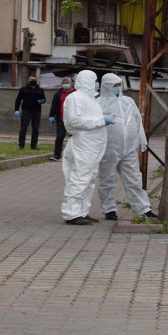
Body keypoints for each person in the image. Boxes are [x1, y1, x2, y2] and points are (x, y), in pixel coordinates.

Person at [96, 73, 158, 220]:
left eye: (119, 85)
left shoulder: (128, 101)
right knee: (107, 179)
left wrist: (142, 140)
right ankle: (109, 209)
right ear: (106, 86)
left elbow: (137, 121)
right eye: (114, 85)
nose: (118, 88)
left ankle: (143, 209)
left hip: (129, 148)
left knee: (134, 178)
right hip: (108, 148)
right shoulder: (98, 103)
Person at [60, 70, 115, 225]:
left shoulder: (91, 99)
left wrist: (102, 120)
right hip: (84, 144)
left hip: (92, 145)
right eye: (95, 80)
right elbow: (74, 121)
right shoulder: (75, 98)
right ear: (87, 81)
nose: (97, 83)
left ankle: (82, 212)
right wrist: (100, 121)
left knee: (89, 179)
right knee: (79, 178)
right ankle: (72, 213)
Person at [14, 74, 46, 150]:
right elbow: (18, 100)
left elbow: (44, 99)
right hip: (26, 111)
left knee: (35, 129)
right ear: (28, 80)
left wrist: (42, 101)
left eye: (34, 80)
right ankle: (21, 145)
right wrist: (16, 109)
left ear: (37, 80)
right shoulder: (23, 89)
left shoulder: (40, 90)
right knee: (23, 128)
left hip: (37, 111)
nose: (33, 81)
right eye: (31, 80)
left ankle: (33, 145)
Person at [48, 76, 75, 161]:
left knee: (74, 137)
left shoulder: (76, 93)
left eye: (67, 83)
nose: (65, 84)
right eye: (63, 83)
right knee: (60, 136)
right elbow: (54, 105)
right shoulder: (58, 94)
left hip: (73, 120)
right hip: (61, 119)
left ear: (71, 83)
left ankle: (75, 155)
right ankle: (57, 154)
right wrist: (51, 115)